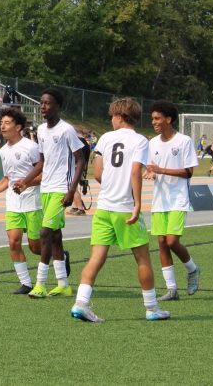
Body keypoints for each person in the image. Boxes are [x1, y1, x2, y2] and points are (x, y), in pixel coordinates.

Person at [70, 98, 170, 323]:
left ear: (120, 116)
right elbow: (135, 172)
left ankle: (81, 303)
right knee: (142, 258)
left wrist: (111, 187)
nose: (111, 120)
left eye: (112, 116)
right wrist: (137, 204)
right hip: (125, 208)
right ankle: (152, 307)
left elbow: (98, 173)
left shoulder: (105, 138)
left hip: (104, 207)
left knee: (96, 257)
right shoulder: (140, 140)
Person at [15, 89, 85, 298]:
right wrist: (26, 182)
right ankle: (63, 284)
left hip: (61, 189)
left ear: (58, 106)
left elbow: (80, 159)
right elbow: (42, 162)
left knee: (45, 233)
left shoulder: (67, 130)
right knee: (55, 236)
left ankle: (40, 283)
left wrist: (72, 190)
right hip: (46, 188)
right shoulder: (41, 130)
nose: (43, 106)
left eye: (47, 103)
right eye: (41, 102)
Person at [0, 107, 42, 294]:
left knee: (36, 247)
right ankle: (26, 283)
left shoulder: (31, 147)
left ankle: (61, 255)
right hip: (13, 202)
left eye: (7, 123)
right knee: (13, 242)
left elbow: (43, 175)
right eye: (1, 123)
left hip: (33, 201)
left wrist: (26, 183)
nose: (2, 126)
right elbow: (7, 179)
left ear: (18, 127)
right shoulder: (3, 150)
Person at [145, 100, 201, 302]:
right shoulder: (152, 143)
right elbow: (151, 167)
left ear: (168, 119)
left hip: (178, 198)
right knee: (161, 243)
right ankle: (171, 289)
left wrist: (161, 170)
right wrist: (151, 173)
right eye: (152, 118)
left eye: (157, 118)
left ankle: (193, 269)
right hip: (159, 200)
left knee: (171, 241)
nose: (154, 122)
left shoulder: (184, 141)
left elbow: (188, 172)